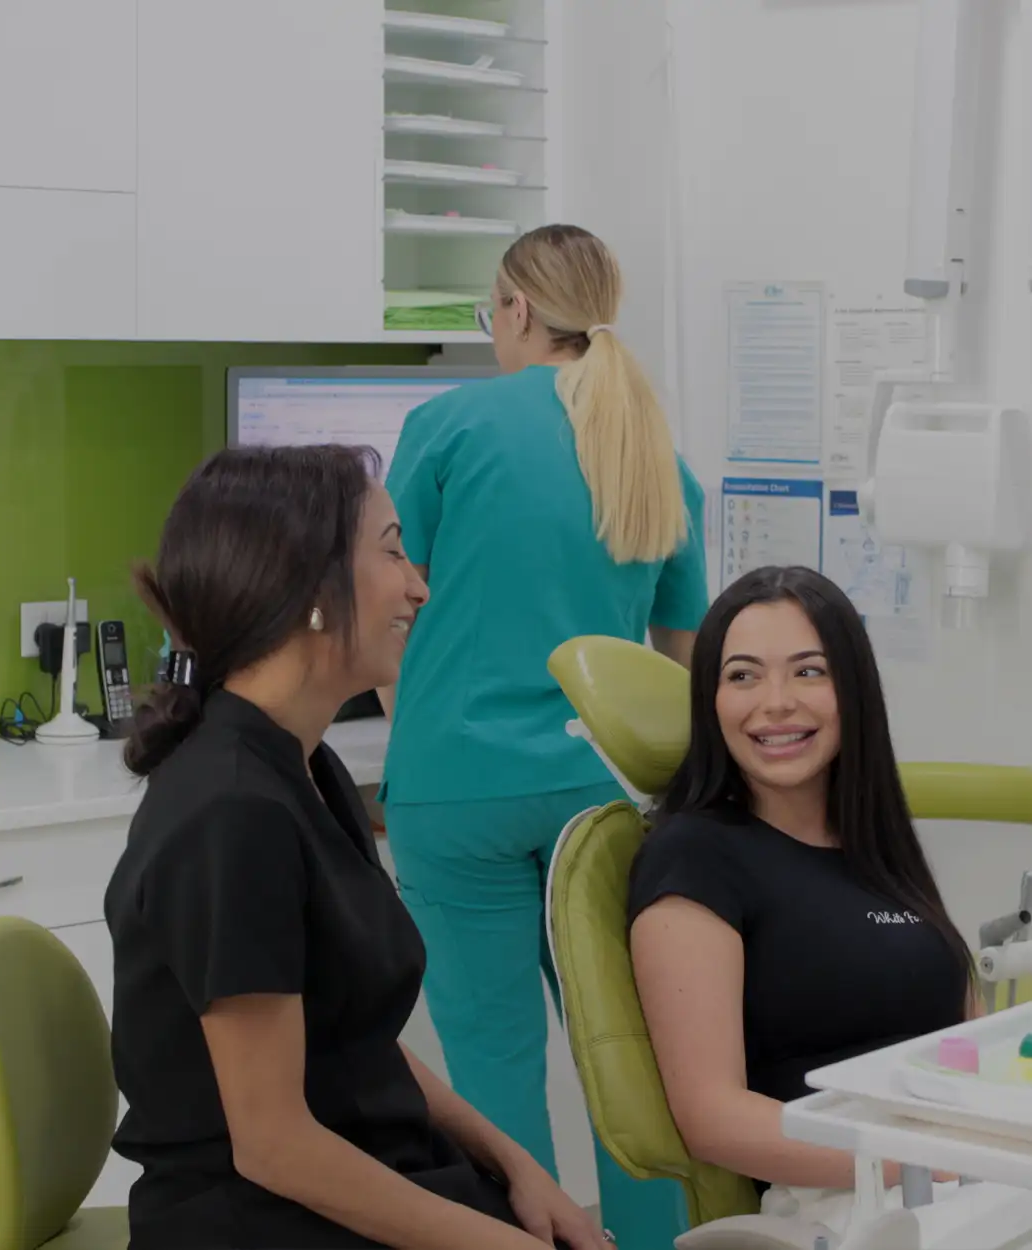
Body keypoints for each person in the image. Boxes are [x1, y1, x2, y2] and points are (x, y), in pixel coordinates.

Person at [103, 444, 610, 1250]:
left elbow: (351, 1043)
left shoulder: (308, 766)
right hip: (257, 1222)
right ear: (308, 586)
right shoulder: (233, 813)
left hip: (366, 1175)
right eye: (391, 550)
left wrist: (519, 1167)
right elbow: (273, 1146)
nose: (419, 584)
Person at [377, 222, 709, 1240]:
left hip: (452, 790)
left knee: (488, 1079)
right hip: (600, 797)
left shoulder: (446, 424)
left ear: (516, 309)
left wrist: (416, 727)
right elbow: (678, 664)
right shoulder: (653, 450)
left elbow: (387, 600)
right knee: (629, 1070)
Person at [628, 565, 973, 1228]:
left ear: (853, 689)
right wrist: (935, 1157)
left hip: (956, 1171)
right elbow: (712, 1118)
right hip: (846, 1201)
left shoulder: (876, 844)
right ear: (712, 700)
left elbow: (960, 1030)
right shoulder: (696, 856)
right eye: (743, 675)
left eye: (809, 671)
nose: (776, 701)